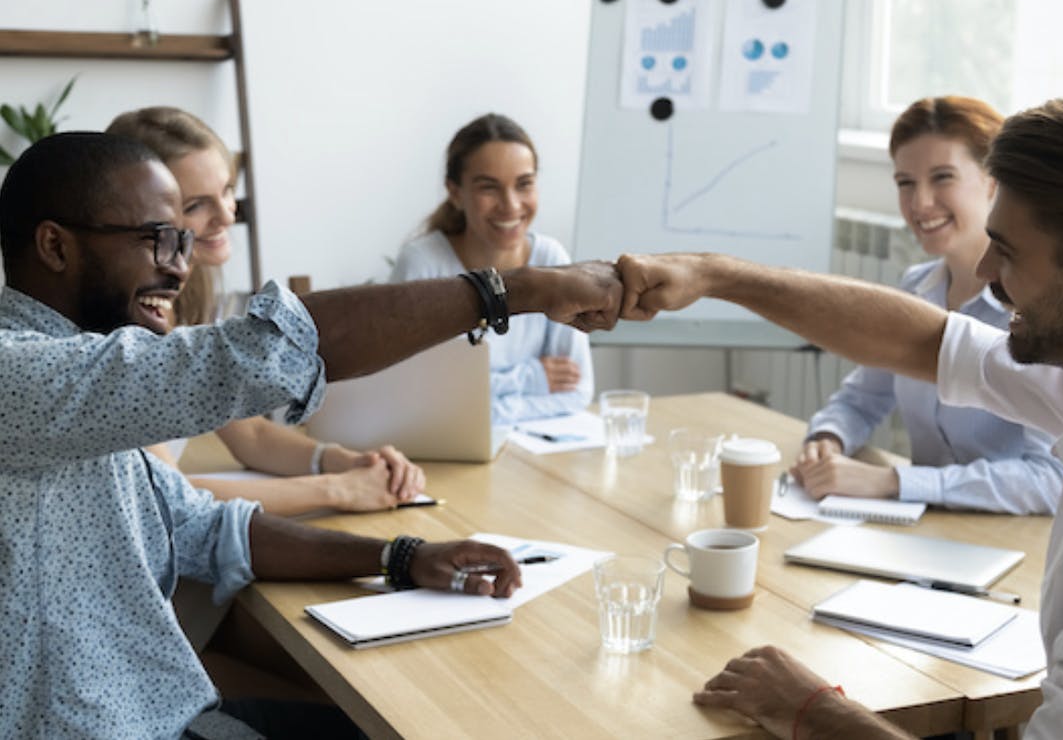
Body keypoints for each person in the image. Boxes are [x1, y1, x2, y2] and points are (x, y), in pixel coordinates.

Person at [0, 131, 621, 737]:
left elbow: (205, 527)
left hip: (169, 715)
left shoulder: (81, 391)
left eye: (183, 241)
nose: (180, 267)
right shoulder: (19, 376)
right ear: (55, 246)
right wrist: (513, 290)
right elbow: (260, 355)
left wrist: (403, 557)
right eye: (157, 240)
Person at [617, 93, 1063, 738]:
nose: (986, 271)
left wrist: (812, 709)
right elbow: (923, 340)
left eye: (1008, 252)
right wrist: (713, 276)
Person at [107, 106, 423, 517]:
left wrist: (343, 461)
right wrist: (338, 490)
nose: (227, 214)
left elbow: (251, 435)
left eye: (227, 190)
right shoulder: (117, 326)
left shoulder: (186, 298)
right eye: (197, 205)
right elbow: (165, 496)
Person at [794, 96, 1063, 514]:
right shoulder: (916, 288)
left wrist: (892, 481)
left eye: (942, 177)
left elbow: (1050, 479)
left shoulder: (1036, 312)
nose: (919, 203)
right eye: (905, 182)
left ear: (994, 183)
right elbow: (863, 397)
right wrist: (827, 439)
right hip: (924, 526)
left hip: (1007, 536)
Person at [389, 113, 594, 425]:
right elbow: (411, 395)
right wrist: (530, 379)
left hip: (531, 447)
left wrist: (482, 404)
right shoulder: (422, 264)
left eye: (524, 184)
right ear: (456, 193)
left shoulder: (552, 259)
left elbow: (576, 391)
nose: (510, 205)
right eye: (489, 188)